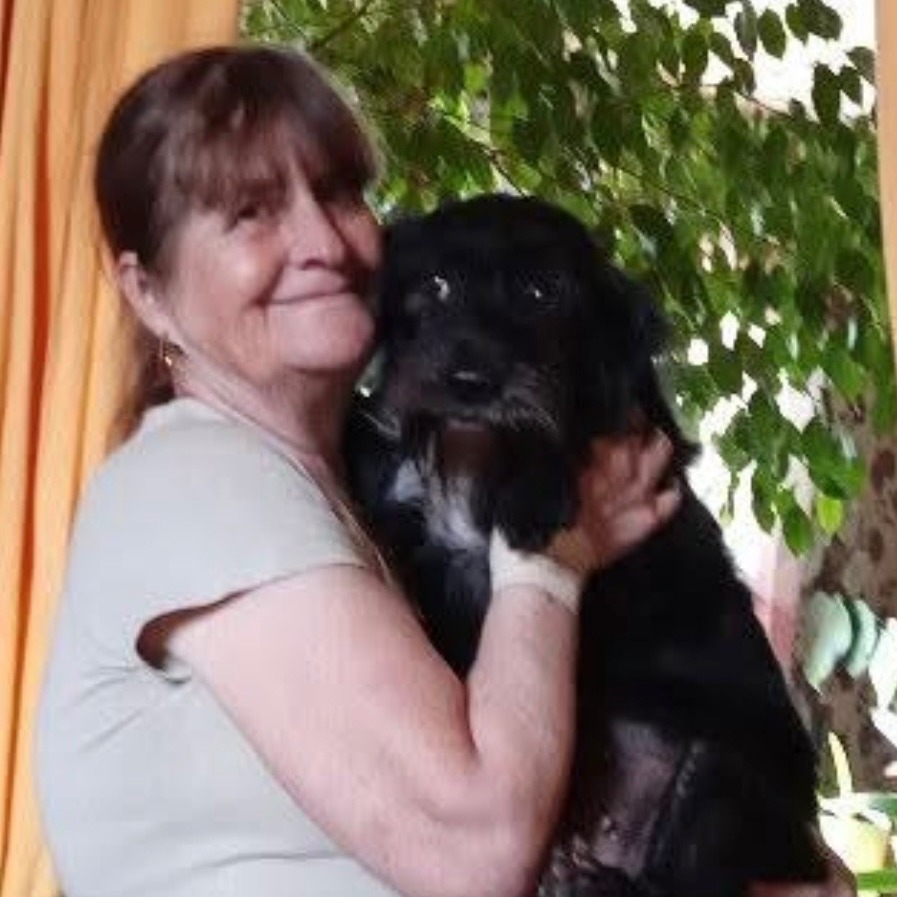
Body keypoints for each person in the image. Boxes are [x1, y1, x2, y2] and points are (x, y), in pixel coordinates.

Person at [34, 45, 854, 897]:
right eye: (251, 212)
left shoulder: (358, 480)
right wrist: (553, 553)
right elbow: (474, 849)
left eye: (338, 193)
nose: (322, 242)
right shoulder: (196, 484)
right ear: (148, 292)